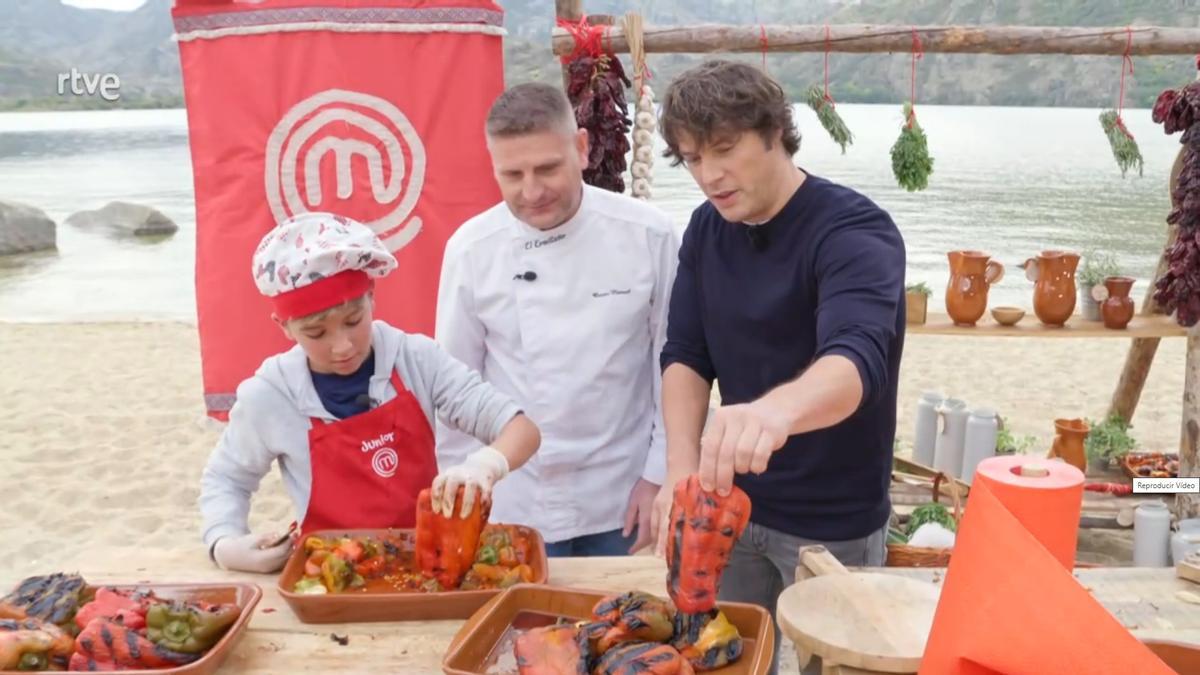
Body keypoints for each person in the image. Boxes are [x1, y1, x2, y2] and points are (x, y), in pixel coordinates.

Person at [647, 60, 906, 674]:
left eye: (725, 149)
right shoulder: (708, 229)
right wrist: (681, 472)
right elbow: (685, 354)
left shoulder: (853, 230)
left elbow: (856, 359)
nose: (708, 175)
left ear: (774, 133)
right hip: (726, 509)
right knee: (725, 660)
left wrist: (774, 411)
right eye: (690, 158)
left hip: (831, 522)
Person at [199, 212, 541, 573]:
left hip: (432, 567)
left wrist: (484, 466)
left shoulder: (417, 360)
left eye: (353, 321)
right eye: (316, 334)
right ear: (284, 326)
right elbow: (227, 478)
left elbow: (521, 430)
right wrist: (225, 542)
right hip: (330, 574)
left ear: (371, 297)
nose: (342, 346)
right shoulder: (269, 395)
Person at [435, 82, 679, 556]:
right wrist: (463, 488)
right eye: (512, 174)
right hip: (515, 498)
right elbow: (454, 386)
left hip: (621, 492)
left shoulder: (649, 234)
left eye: (548, 168)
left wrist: (659, 473)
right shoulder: (470, 248)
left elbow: (671, 365)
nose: (532, 191)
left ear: (582, 148)